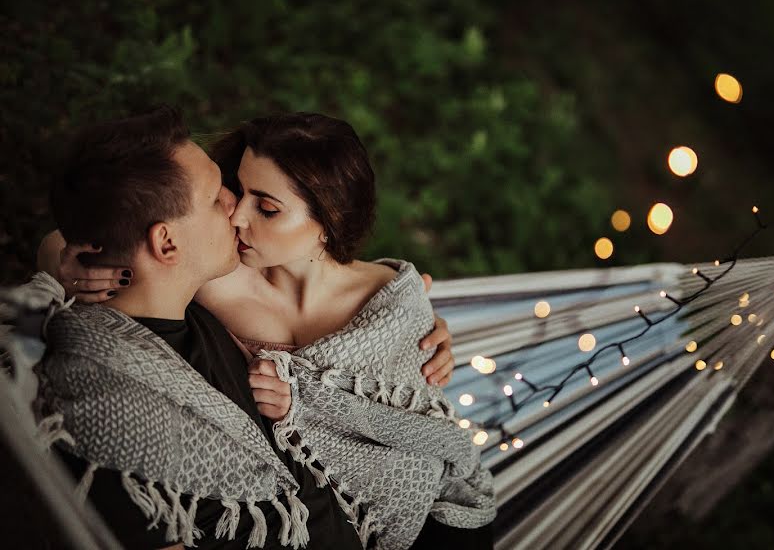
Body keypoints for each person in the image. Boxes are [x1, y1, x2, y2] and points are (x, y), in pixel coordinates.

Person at [48, 112, 496, 550]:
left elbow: (418, 427)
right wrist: (61, 263)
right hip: (315, 520)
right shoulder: (217, 276)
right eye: (237, 190)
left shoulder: (394, 299)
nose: (238, 215)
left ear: (328, 220)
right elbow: (120, 225)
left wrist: (431, 329)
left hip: (437, 512)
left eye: (266, 207)